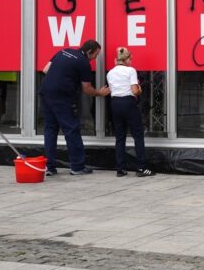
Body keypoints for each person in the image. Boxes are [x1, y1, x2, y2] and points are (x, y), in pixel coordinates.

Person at [39, 39, 110, 176]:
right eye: (95, 55)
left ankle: (50, 167)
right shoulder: (83, 63)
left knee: (50, 129)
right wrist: (99, 93)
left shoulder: (64, 51)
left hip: (45, 92)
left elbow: (45, 69)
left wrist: (61, 76)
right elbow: (87, 89)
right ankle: (77, 167)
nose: (95, 59)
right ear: (89, 52)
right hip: (62, 96)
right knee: (71, 129)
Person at [107, 47, 155, 177]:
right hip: (128, 102)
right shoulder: (131, 71)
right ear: (127, 59)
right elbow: (134, 91)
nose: (131, 61)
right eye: (131, 59)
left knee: (120, 137)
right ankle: (141, 168)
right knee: (138, 135)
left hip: (115, 103)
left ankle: (120, 169)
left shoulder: (110, 73)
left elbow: (112, 89)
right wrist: (140, 89)